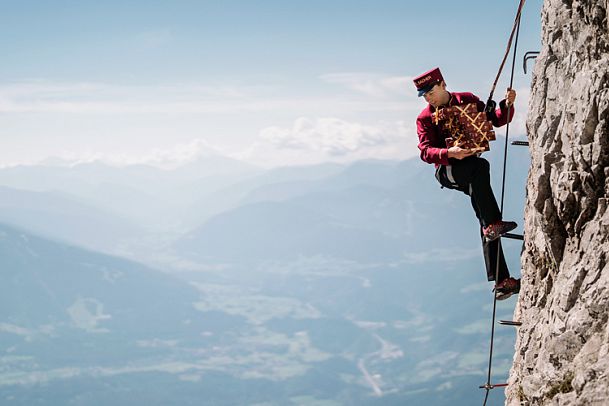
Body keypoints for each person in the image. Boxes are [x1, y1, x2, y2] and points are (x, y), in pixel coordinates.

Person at [414, 67, 520, 300]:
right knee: (480, 169)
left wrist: (507, 105)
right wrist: (449, 152)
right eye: (424, 95)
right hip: (448, 170)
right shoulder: (425, 117)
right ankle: (493, 224)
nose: (428, 98)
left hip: (469, 169)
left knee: (485, 217)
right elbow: (425, 151)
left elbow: (494, 120)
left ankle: (502, 281)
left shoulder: (467, 100)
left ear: (442, 84)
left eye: (430, 91)